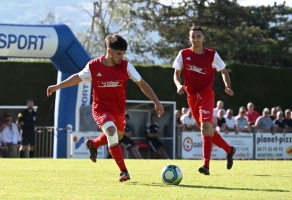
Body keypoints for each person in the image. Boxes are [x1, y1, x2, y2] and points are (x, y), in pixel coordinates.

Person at [46, 34, 164, 182]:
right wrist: (57, 86)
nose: (121, 57)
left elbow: (142, 83)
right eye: (118, 53)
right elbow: (77, 77)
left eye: (123, 54)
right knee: (111, 131)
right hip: (101, 109)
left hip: (119, 111)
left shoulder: (126, 66)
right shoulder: (94, 66)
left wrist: (156, 102)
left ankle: (93, 144)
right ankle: (123, 171)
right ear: (109, 51)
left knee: (118, 136)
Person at [172, 26, 236, 175]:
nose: (195, 39)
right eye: (193, 36)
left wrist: (227, 86)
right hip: (192, 97)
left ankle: (206, 165)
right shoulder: (183, 54)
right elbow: (176, 74)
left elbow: (224, 71)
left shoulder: (212, 55)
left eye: (198, 36)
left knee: (205, 128)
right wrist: (178, 85)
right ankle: (229, 150)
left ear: (203, 38)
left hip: (206, 96)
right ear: (189, 38)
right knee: (209, 131)